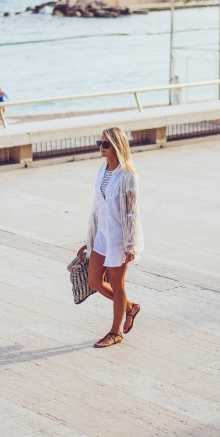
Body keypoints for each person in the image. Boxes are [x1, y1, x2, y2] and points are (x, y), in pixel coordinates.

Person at [77, 126, 144, 348]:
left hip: (118, 237)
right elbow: (96, 207)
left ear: (116, 146)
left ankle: (115, 332)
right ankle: (130, 307)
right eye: (100, 143)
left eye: (105, 144)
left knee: (118, 284)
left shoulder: (128, 176)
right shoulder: (101, 171)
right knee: (94, 280)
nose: (101, 148)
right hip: (102, 235)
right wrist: (89, 240)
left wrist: (130, 245)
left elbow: (132, 214)